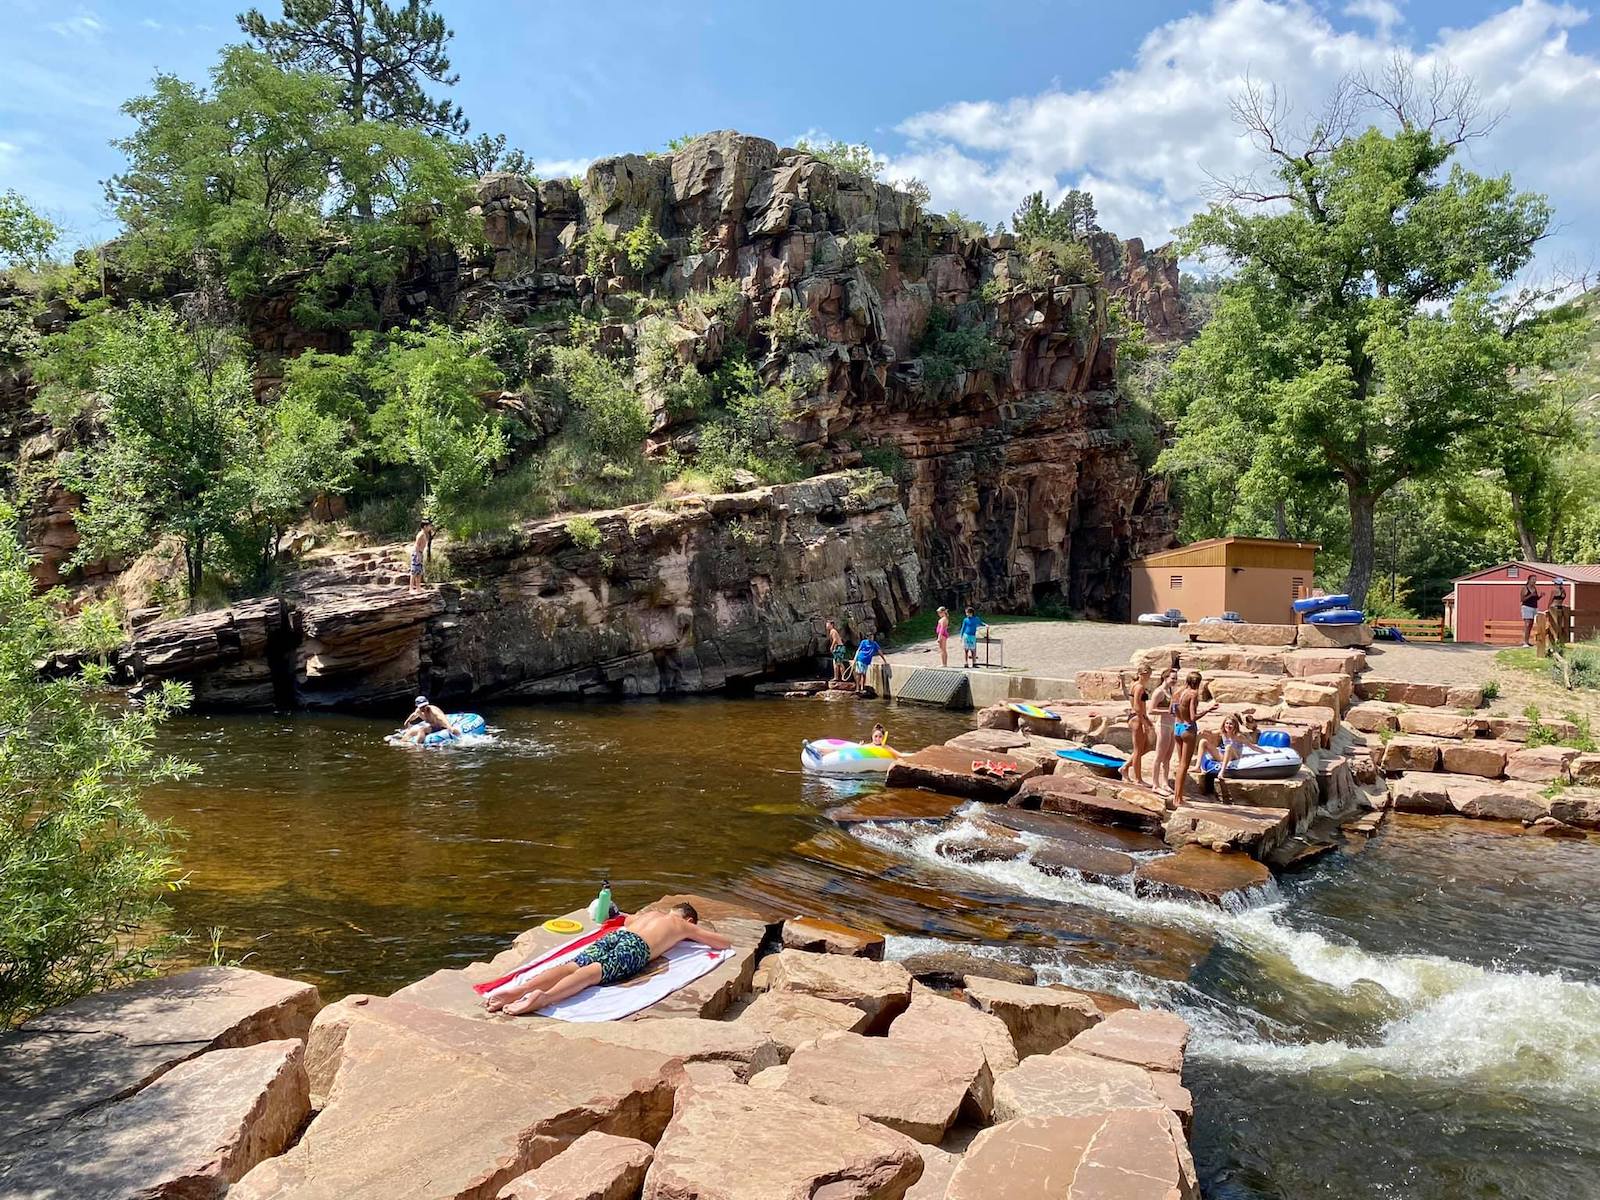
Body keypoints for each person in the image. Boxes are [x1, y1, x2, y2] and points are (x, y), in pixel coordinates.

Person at [485, 902, 734, 1016]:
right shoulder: (681, 924)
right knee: (591, 974)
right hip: (636, 948)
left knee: (571, 966)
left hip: (618, 937)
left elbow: (622, 919)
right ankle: (544, 998)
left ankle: (522, 988)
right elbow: (723, 943)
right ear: (688, 919)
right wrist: (688, 935)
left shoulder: (649, 915)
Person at [1171, 671, 1217, 808]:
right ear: (1198, 683)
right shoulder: (1193, 694)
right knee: (1184, 765)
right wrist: (1208, 710)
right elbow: (1192, 717)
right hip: (1187, 729)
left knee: (1181, 765)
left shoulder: (1177, 692)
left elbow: (1171, 711)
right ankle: (1178, 799)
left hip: (1177, 727)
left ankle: (1177, 796)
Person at [1120, 663, 1155, 787]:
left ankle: (1125, 768)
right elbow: (1136, 706)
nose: (1149, 676)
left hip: (1138, 717)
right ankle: (1137, 779)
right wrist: (1144, 721)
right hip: (1137, 718)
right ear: (1142, 673)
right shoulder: (1139, 687)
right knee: (1138, 749)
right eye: (1148, 674)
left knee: (1146, 746)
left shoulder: (1135, 684)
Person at [1201, 714, 1264, 782]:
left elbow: (1252, 746)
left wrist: (1265, 753)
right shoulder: (1222, 732)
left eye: (1231, 724)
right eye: (1227, 723)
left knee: (1228, 747)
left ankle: (1222, 772)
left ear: (1235, 726)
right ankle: (1198, 767)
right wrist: (1204, 731)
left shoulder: (1238, 736)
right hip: (1225, 755)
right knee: (1203, 741)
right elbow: (1211, 732)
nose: (1228, 726)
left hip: (1235, 757)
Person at [1150, 666, 1179, 795]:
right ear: (1165, 678)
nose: (1174, 681)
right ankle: (1155, 784)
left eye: (1176, 679)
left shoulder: (1171, 691)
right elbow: (1151, 710)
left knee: (1168, 756)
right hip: (1163, 726)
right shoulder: (1159, 692)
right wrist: (1167, 711)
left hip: (1172, 725)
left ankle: (1165, 783)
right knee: (1159, 756)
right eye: (1172, 678)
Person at [409, 519, 434, 593]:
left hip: (420, 553)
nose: (430, 527)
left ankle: (418, 588)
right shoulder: (420, 534)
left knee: (419, 572)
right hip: (417, 553)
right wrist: (418, 555)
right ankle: (411, 588)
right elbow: (416, 545)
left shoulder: (425, 534)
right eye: (429, 526)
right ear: (425, 526)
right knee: (414, 571)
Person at [1521, 575, 1540, 647]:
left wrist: (1540, 596)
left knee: (1531, 625)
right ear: (1529, 580)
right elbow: (1522, 599)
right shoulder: (1525, 588)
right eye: (1533, 579)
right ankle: (1524, 642)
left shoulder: (1534, 588)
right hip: (1527, 607)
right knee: (1527, 624)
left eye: (1535, 579)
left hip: (1534, 607)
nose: (1534, 581)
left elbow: (1535, 598)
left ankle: (1527, 641)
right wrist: (1531, 595)